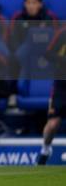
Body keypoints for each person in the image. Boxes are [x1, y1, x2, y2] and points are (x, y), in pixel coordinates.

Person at [38, 27, 66, 164]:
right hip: (62, 84)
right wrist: (62, 59)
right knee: (53, 123)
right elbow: (47, 54)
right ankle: (45, 149)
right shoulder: (62, 33)